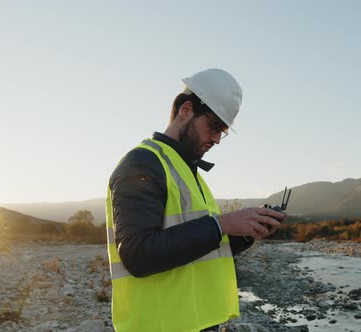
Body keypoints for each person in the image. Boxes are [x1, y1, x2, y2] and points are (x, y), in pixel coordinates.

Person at [105, 68, 285, 332]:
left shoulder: (188, 173)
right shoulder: (143, 163)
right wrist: (221, 225)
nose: (216, 139)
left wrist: (247, 232)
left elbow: (199, 248)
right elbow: (137, 254)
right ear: (186, 110)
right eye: (214, 126)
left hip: (195, 323)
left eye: (222, 131)